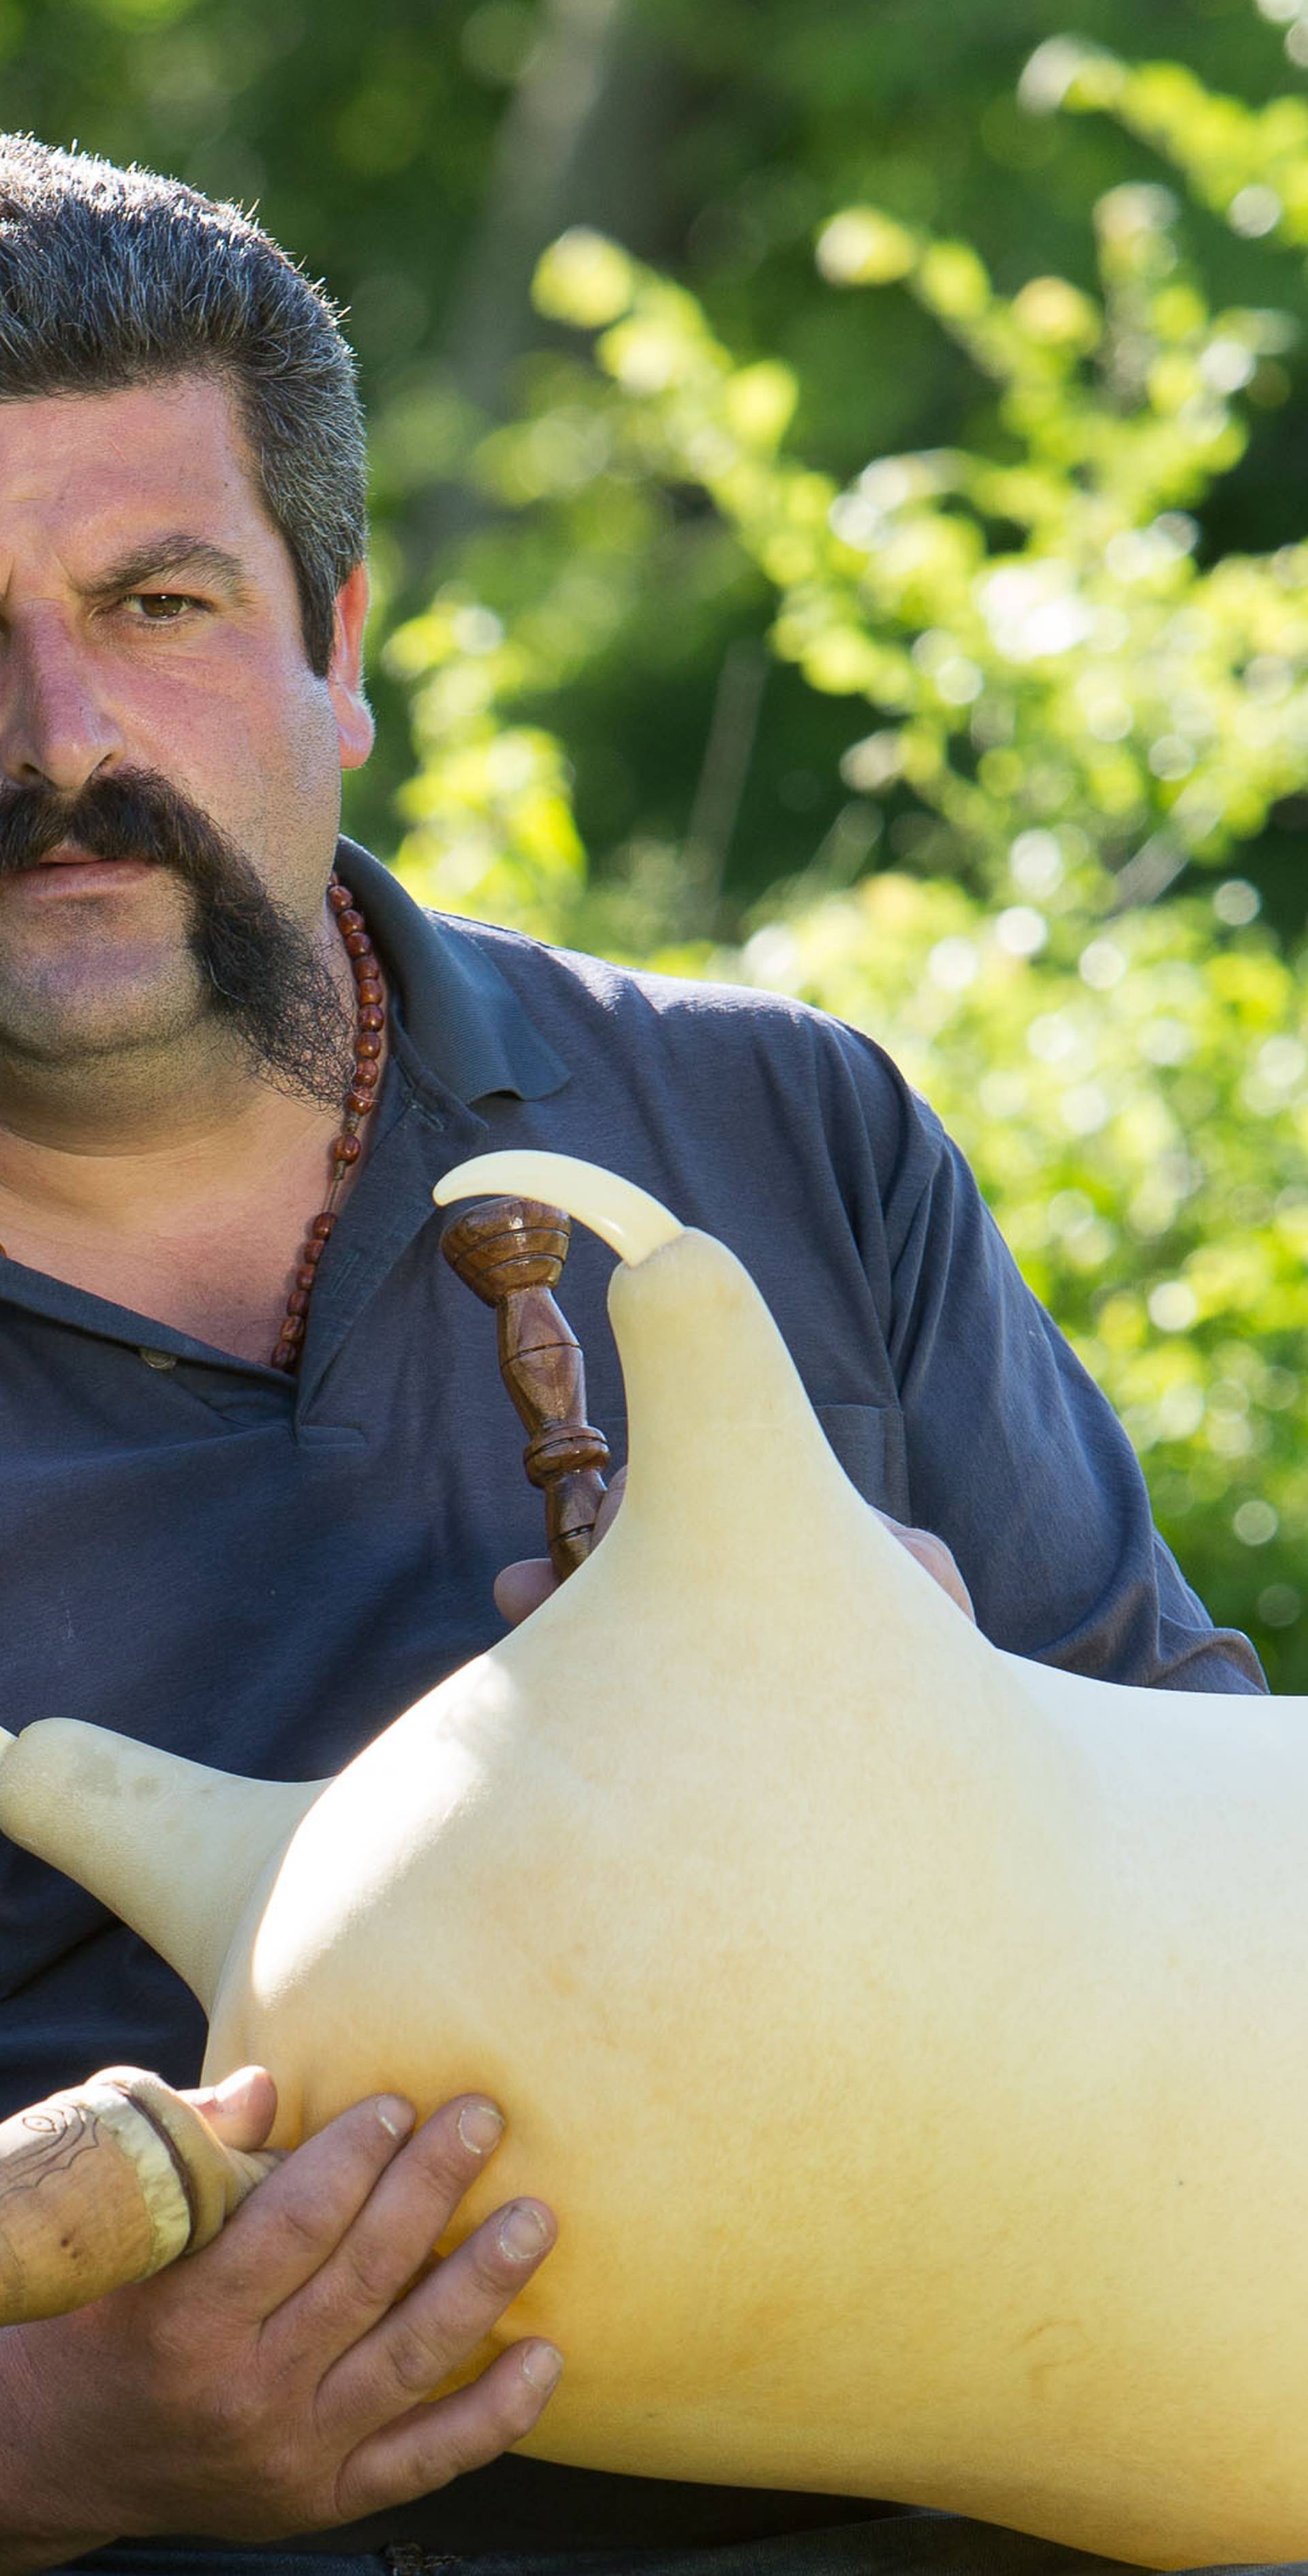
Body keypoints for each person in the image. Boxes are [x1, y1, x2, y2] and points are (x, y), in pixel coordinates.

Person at [0, 136, 1269, 2576]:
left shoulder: (781, 1126)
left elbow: (1221, 1866)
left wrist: (998, 1763)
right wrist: (59, 2446)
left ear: (339, 647)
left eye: (158, 600)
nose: (62, 732)